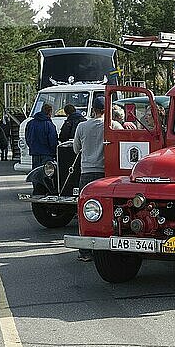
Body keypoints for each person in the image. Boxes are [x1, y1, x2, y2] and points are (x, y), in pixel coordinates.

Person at [73, 96, 106, 262]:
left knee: (85, 212)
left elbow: (76, 148)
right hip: (105, 173)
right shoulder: (111, 126)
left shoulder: (82, 126)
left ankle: (85, 251)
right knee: (103, 212)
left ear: (93, 109)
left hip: (86, 172)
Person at [26, 104, 58, 170]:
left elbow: (27, 138)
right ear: (49, 112)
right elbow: (52, 140)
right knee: (47, 175)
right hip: (47, 153)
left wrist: (32, 147)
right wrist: (55, 152)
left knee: (36, 174)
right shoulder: (49, 125)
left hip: (35, 153)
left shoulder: (30, 123)